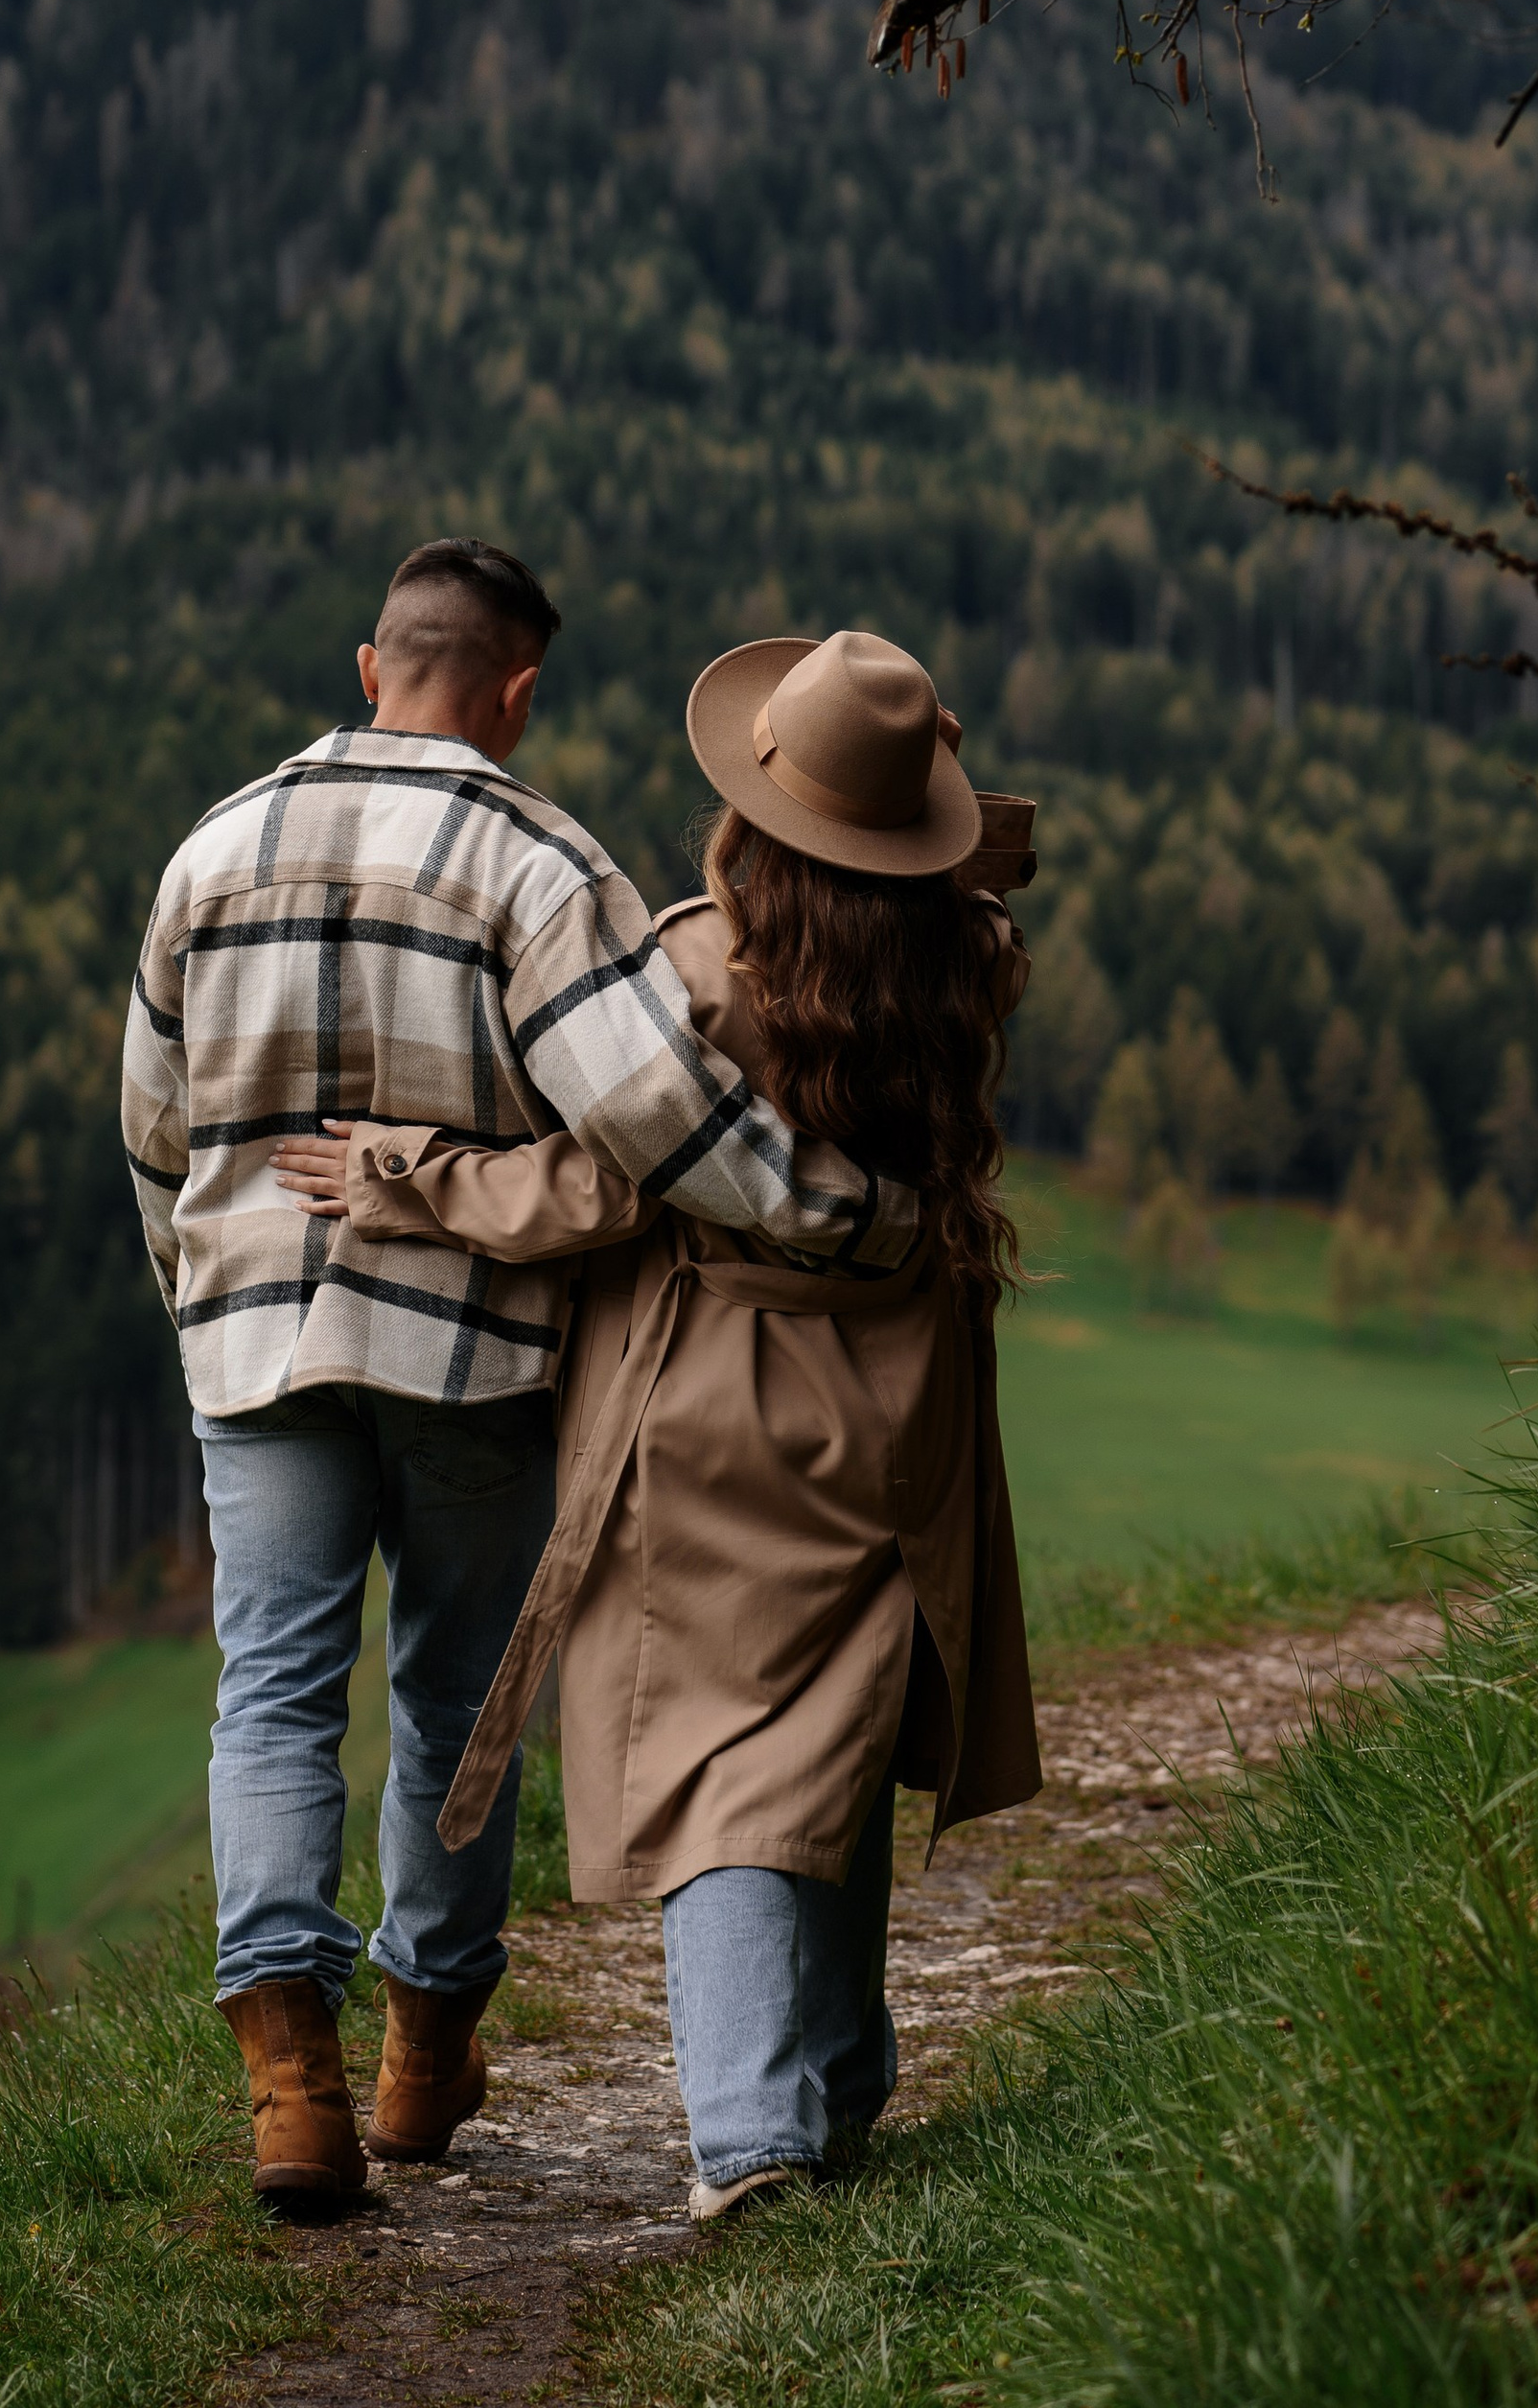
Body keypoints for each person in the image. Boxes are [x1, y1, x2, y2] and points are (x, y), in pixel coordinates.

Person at [121, 550, 926, 2215]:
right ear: (519, 690)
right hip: (466, 1353)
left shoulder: (211, 849)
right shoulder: (537, 859)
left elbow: (155, 1124)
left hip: (252, 1344)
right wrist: (845, 1215)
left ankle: (291, 2086)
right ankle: (425, 2056)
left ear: (369, 663)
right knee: (450, 1704)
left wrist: (205, 1300)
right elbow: (658, 1122)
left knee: (270, 1695)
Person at [270, 627, 1041, 2222]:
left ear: (759, 810)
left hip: (718, 1393)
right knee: (829, 1731)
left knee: (717, 1761)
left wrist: (408, 1175)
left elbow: (602, 1181)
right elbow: (964, 884)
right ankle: (833, 2089)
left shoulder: (698, 972)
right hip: (899, 1390)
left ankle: (750, 2137)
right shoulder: (965, 962)